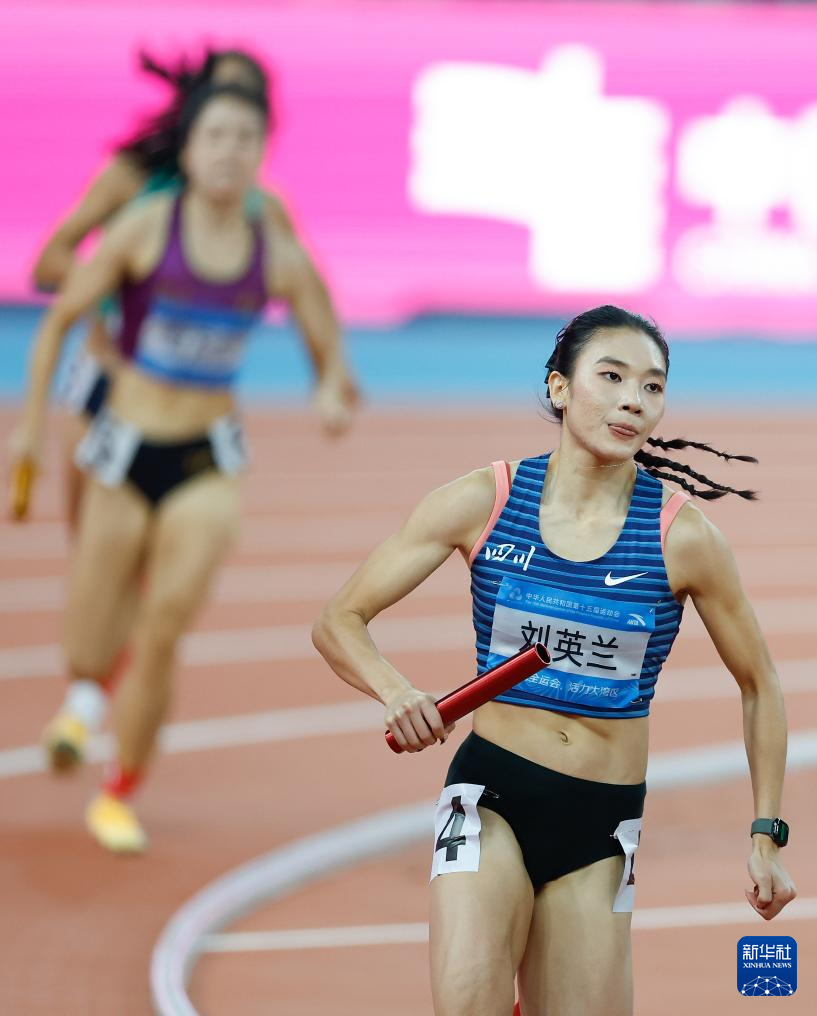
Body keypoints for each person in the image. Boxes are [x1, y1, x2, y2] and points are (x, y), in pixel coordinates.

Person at [312, 305, 796, 1016]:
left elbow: (760, 684)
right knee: (467, 1003)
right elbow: (338, 620)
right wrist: (394, 691)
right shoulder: (485, 501)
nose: (633, 400)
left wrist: (765, 834)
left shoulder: (683, 538)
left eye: (652, 386)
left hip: (601, 825)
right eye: (611, 377)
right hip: (490, 796)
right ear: (559, 387)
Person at [10, 81, 358, 854]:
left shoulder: (272, 248)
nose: (231, 151)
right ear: (190, 152)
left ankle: (120, 790)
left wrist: (330, 383)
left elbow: (321, 322)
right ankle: (85, 695)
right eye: (216, 136)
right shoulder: (146, 226)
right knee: (90, 638)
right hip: (121, 450)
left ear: (261, 154)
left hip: (205, 459)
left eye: (246, 138)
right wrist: (28, 430)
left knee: (164, 626)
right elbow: (59, 320)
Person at [30, 47, 346, 530]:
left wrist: (331, 376)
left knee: (182, 548)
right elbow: (48, 263)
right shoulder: (133, 176)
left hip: (194, 410)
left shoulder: (265, 208)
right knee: (96, 551)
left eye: (246, 107)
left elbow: (311, 293)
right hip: (107, 382)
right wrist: (115, 289)